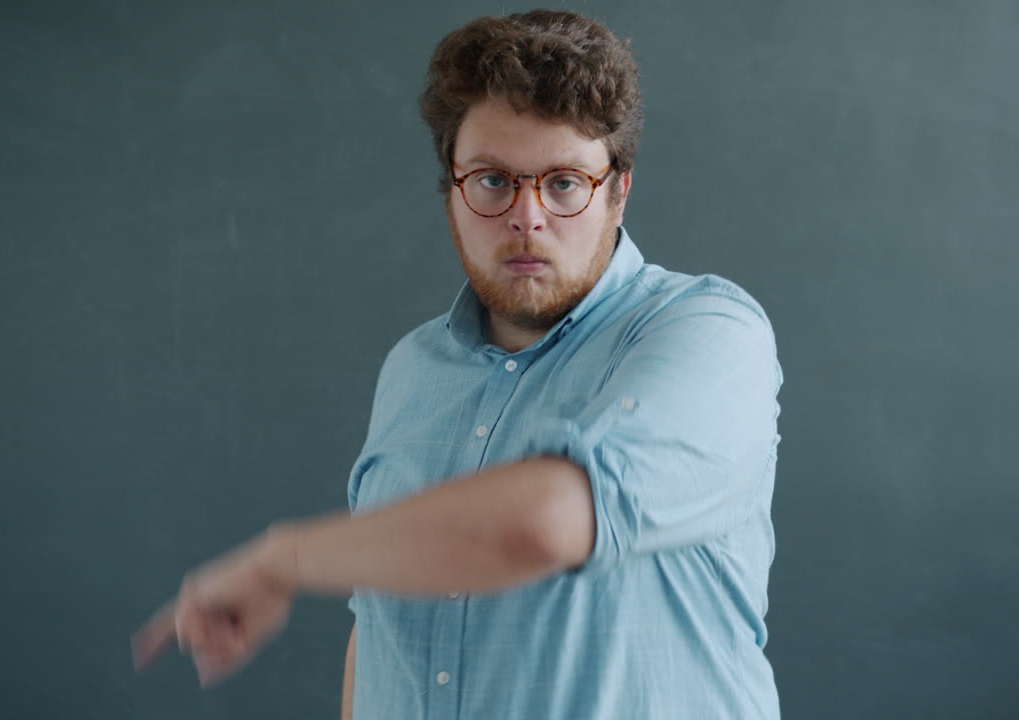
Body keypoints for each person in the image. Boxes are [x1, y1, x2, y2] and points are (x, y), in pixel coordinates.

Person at [132, 9, 783, 719]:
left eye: (565, 182)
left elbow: (546, 522)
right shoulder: (413, 370)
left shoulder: (710, 334)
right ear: (451, 186)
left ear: (619, 192)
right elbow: (379, 630)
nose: (527, 216)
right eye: (494, 180)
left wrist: (280, 560)